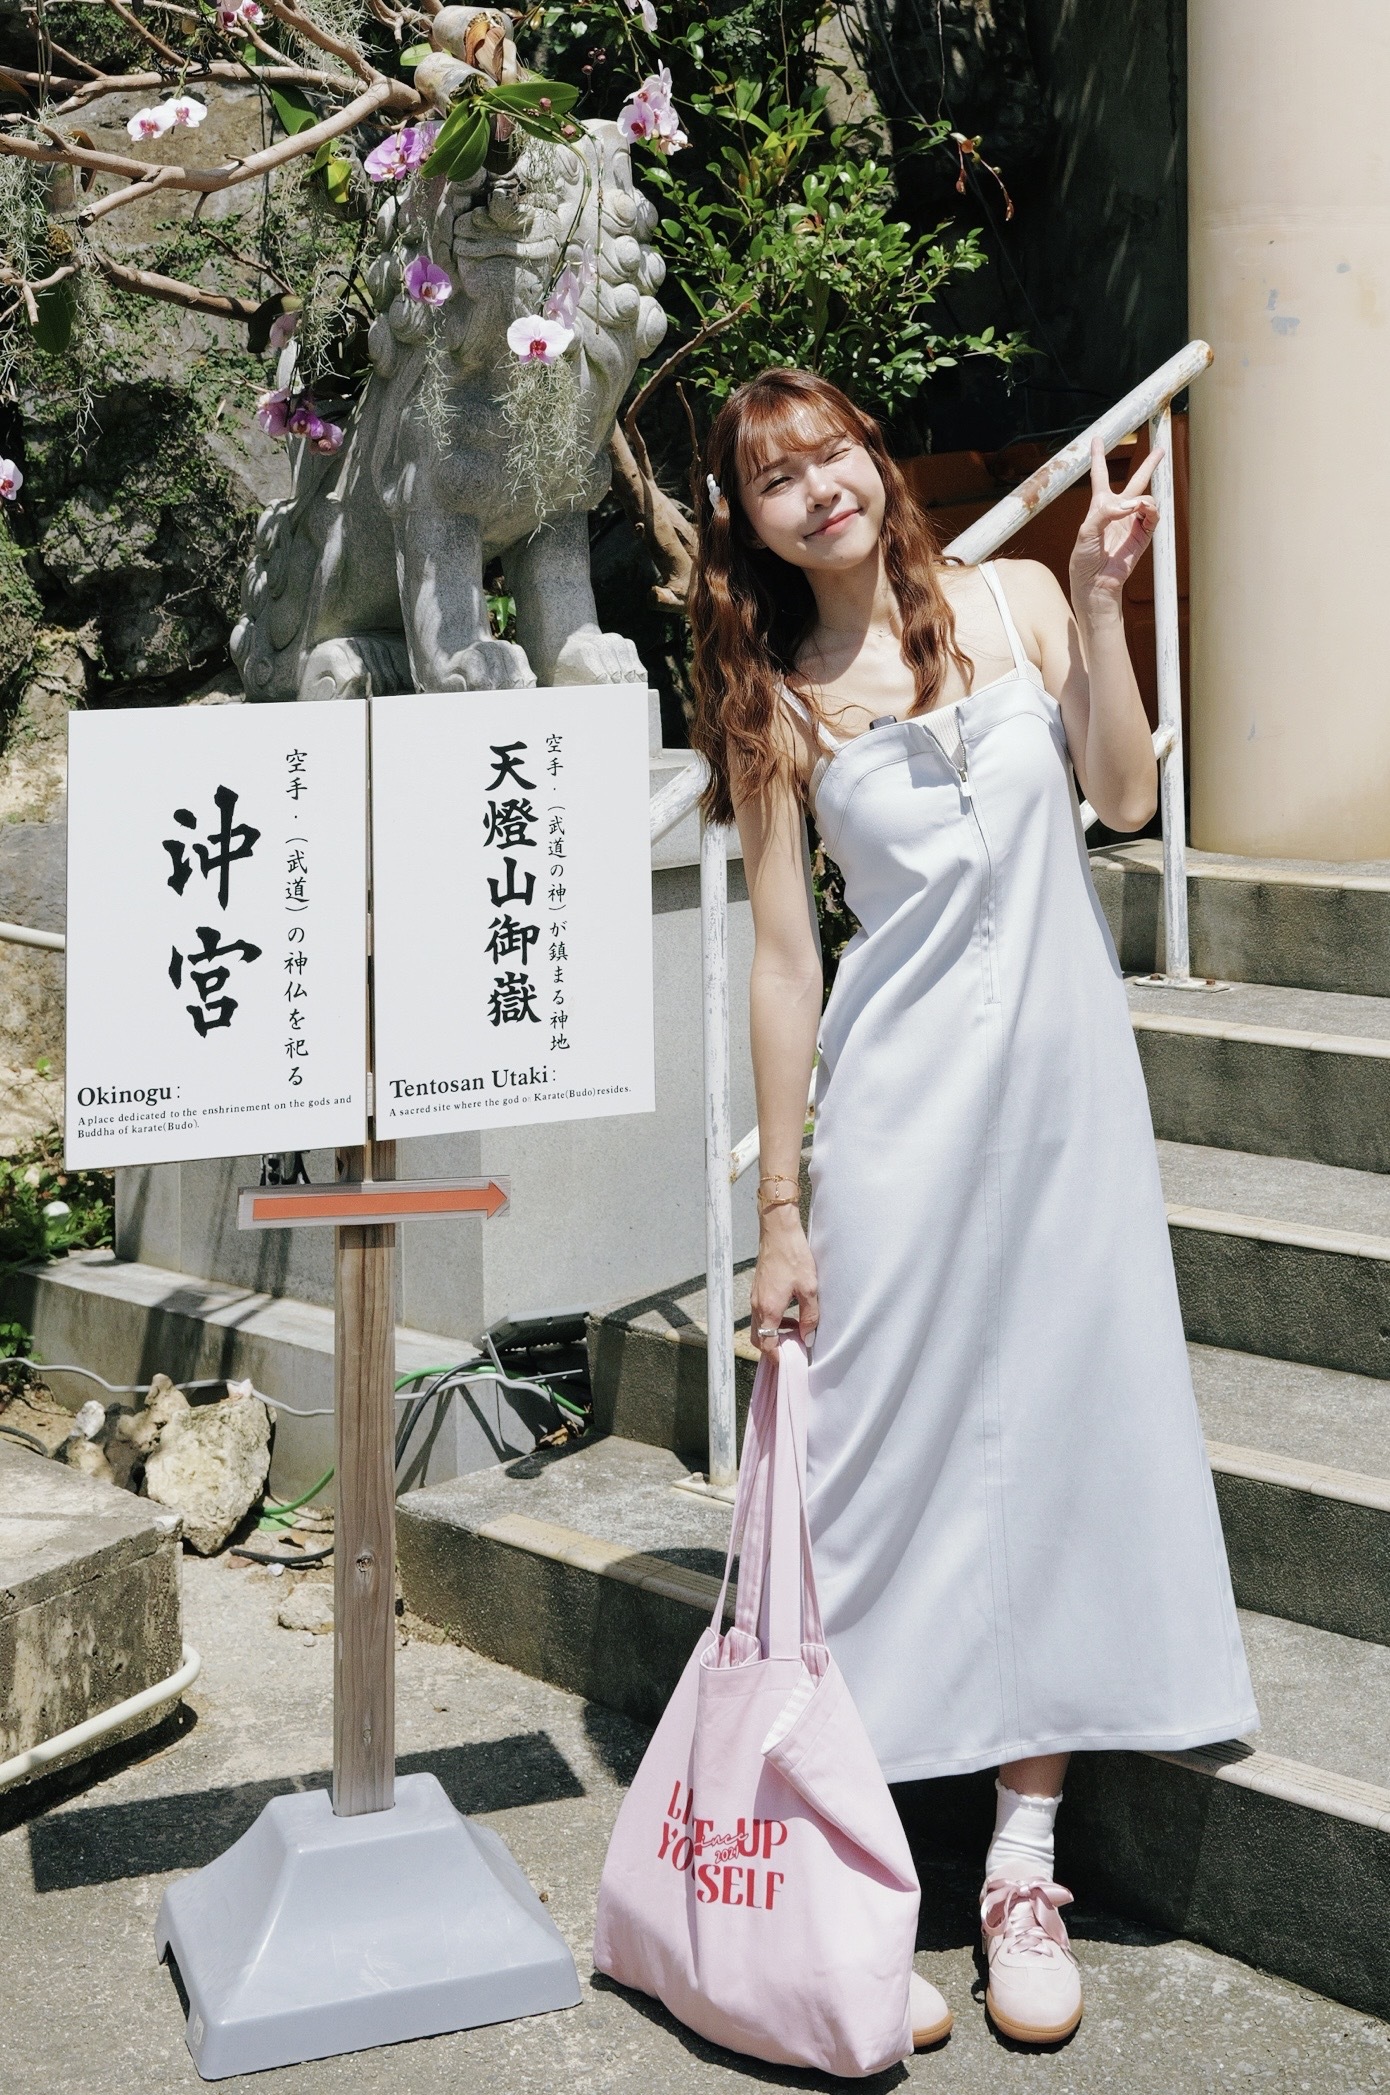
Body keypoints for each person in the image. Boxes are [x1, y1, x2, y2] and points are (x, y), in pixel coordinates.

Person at [687, 368, 1258, 2051]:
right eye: (775, 478)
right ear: (749, 523)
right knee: (870, 1473)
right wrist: (780, 1205)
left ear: (874, 461)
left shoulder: (1017, 604)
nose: (817, 489)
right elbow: (784, 965)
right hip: (896, 1120)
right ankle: (849, 1870)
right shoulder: (774, 700)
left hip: (1066, 1116)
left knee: (1062, 1448)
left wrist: (1100, 603)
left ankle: (1021, 1866)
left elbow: (1125, 798)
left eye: (832, 454)